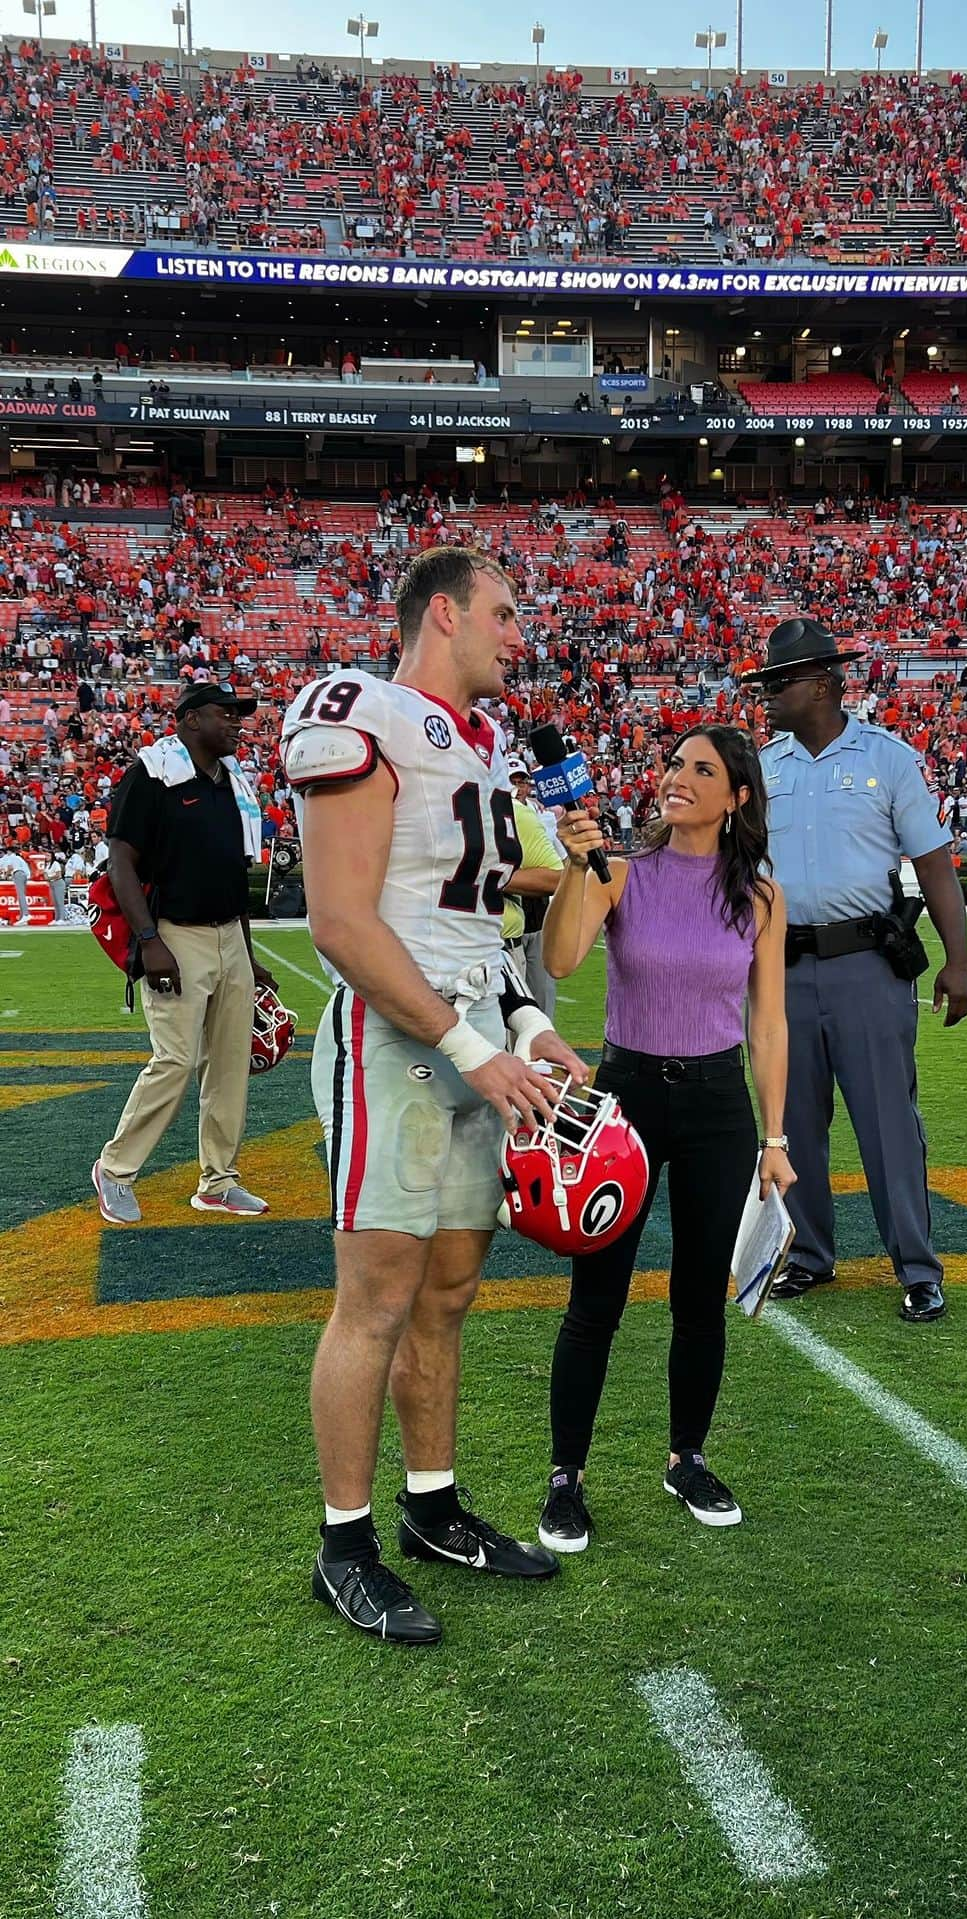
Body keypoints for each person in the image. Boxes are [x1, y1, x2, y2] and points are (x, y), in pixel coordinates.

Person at [280, 547, 588, 1649]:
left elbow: (473, 931)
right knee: (375, 1296)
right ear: (444, 612)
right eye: (504, 612)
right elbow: (342, 922)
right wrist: (470, 1043)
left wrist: (531, 1028)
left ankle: (432, 1506)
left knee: (451, 1291)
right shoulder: (358, 709)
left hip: (471, 1038)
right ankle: (344, 1543)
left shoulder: (484, 745)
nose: (519, 632)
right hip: (396, 1042)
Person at [535, 726, 794, 1552]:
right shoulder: (620, 871)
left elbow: (769, 1023)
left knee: (698, 1302)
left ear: (737, 797)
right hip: (626, 1099)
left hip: (720, 1106)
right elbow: (563, 957)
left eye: (702, 769)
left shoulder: (758, 894)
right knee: (596, 1300)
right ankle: (565, 1476)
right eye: (674, 764)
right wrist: (578, 864)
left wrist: (777, 1136)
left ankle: (687, 1457)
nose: (677, 778)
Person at [751, 619, 967, 1325]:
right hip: (785, 966)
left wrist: (958, 961)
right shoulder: (763, 766)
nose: (767, 697)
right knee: (794, 1122)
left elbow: (934, 862)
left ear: (821, 683)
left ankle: (916, 1266)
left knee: (887, 1122)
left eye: (778, 683)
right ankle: (811, 1255)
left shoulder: (888, 759)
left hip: (867, 965)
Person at [91, 683, 277, 1227]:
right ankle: (115, 1168)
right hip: (176, 934)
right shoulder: (152, 774)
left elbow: (231, 874)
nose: (238, 724)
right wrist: (150, 940)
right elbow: (121, 862)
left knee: (228, 1064)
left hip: (228, 936)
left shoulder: (229, 782)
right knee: (175, 1059)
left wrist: (247, 951)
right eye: (227, 714)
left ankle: (218, 1180)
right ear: (192, 719)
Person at [505, 755, 563, 1020]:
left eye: (521, 781)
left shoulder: (542, 817)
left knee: (541, 994)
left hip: (538, 915)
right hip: (510, 918)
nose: (518, 787)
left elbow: (559, 867)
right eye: (512, 781)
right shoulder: (503, 812)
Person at [0, 849, 31, 923]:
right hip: (24, 875)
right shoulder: (18, 858)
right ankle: (23, 917)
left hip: (18, 874)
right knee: (21, 895)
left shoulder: (11, 857)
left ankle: (26, 914)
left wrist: (5, 876)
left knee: (21, 895)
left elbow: (10, 868)